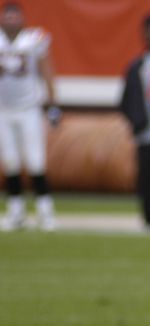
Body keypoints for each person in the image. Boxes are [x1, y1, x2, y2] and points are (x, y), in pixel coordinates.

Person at [0, 1, 57, 232]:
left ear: (22, 18)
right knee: (10, 162)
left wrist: (53, 103)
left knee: (36, 161)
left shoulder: (34, 38)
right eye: (8, 16)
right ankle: (16, 212)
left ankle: (46, 212)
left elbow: (46, 69)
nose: (12, 20)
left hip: (29, 108)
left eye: (15, 16)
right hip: (3, 109)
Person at [120, 13, 150, 232]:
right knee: (148, 178)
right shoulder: (136, 66)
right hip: (146, 131)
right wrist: (136, 120)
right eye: (148, 33)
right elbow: (125, 99)